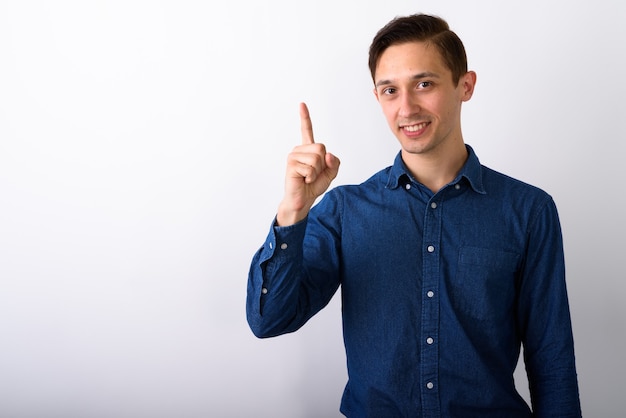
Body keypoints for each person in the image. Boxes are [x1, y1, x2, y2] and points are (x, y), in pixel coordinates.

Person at [246, 13, 581, 417]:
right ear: (377, 98)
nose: (406, 107)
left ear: (465, 85)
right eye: (390, 90)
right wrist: (293, 210)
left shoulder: (529, 211)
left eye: (424, 84)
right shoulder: (344, 211)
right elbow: (269, 320)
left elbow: (552, 361)